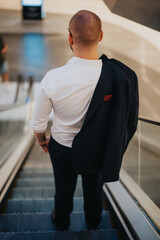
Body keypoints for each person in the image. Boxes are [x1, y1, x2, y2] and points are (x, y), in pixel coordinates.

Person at [30, 10, 139, 231]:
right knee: (94, 189)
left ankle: (61, 221)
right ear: (100, 36)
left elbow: (38, 124)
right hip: (97, 148)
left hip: (62, 148)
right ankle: (93, 223)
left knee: (63, 188)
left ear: (70, 37)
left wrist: (42, 139)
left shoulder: (53, 79)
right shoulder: (115, 76)